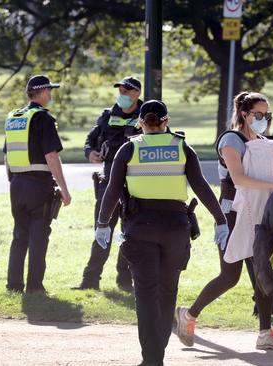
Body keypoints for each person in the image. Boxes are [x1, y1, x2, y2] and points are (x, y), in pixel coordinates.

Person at [94, 100, 228, 366]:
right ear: (166, 121)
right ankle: (160, 353)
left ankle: (151, 358)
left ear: (140, 123)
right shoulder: (181, 147)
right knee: (168, 292)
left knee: (145, 294)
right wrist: (220, 220)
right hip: (176, 229)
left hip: (140, 228)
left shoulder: (130, 148)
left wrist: (102, 223)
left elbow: (111, 189)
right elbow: (201, 186)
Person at [174, 92, 273, 348]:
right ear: (245, 114)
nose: (264, 119)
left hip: (259, 211)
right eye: (259, 114)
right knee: (230, 276)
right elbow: (239, 179)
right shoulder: (230, 140)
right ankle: (188, 315)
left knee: (262, 269)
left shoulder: (261, 140)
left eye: (267, 114)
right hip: (232, 215)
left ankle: (265, 333)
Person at [4, 75, 72, 294]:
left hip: (17, 183)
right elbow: (51, 156)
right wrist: (63, 187)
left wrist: (13, 181)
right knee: (39, 236)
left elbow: (7, 156)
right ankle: (35, 286)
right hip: (38, 185)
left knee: (19, 236)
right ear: (42, 92)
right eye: (49, 91)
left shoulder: (14, 117)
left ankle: (14, 286)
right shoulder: (43, 118)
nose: (50, 95)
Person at [74, 76, 143, 291]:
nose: (122, 95)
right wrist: (90, 152)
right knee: (102, 230)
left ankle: (124, 281)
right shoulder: (108, 115)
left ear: (137, 94)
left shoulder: (146, 115)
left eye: (127, 91)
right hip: (108, 181)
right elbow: (90, 139)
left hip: (135, 184)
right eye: (121, 90)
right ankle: (90, 281)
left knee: (129, 234)